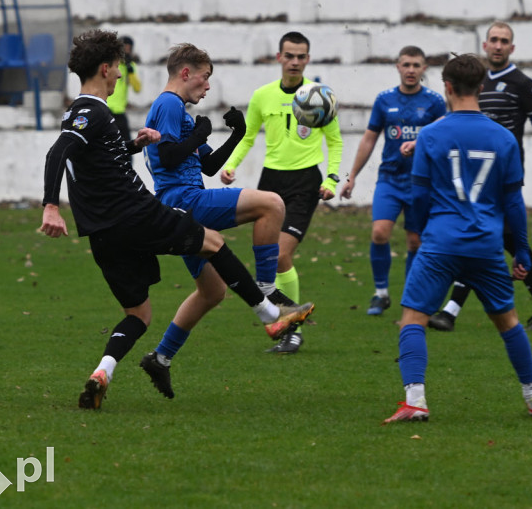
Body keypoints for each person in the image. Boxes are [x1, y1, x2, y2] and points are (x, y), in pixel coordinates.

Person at [39, 29, 313, 409]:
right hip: (155, 207)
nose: (121, 75)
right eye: (117, 67)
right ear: (104, 68)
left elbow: (194, 162)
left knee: (156, 309)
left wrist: (143, 144)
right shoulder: (106, 108)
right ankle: (270, 308)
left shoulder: (90, 113)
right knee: (262, 210)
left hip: (104, 231)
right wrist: (50, 205)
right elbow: (62, 151)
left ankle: (112, 369)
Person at [383, 54, 532, 423]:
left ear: (447, 88)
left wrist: (424, 232)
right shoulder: (503, 138)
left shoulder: (431, 135)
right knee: (508, 322)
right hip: (486, 244)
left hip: (441, 242)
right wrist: (521, 248)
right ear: (483, 88)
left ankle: (416, 401)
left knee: (413, 318)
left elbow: (420, 195)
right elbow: (514, 202)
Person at [138, 43, 302, 397]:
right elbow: (166, 156)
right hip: (185, 200)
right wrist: (198, 135)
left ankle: (161, 358)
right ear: (186, 73)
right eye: (205, 77)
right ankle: (266, 288)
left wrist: (237, 135)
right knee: (272, 204)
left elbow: (208, 165)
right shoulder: (168, 104)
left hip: (179, 207)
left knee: (212, 292)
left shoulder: (178, 112)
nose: (208, 86)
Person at [429, 21, 532, 332]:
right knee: (496, 237)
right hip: (471, 177)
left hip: (503, 178)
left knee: (487, 236)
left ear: (512, 47)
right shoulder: (473, 81)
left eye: (504, 41)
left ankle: (452, 310)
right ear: (484, 45)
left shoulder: (523, 84)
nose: (497, 45)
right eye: (493, 40)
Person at [220, 31, 344, 353]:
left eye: (301, 56)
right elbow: (247, 137)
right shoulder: (263, 96)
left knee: (281, 254)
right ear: (279, 57)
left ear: (308, 59)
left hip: (305, 183)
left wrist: (331, 180)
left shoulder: (319, 98)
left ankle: (294, 329)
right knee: (267, 260)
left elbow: (336, 141)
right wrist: (231, 165)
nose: (294, 62)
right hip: (271, 182)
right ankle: (288, 321)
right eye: (289, 55)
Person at [340, 46, 446, 315]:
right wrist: (352, 176)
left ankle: (410, 296)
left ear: (424, 69)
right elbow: (369, 138)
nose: (411, 70)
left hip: (421, 181)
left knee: (414, 242)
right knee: (379, 233)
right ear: (398, 67)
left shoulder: (434, 102)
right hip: (390, 179)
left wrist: (419, 142)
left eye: (416, 65)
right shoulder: (384, 100)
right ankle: (381, 293)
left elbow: (444, 137)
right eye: (406, 64)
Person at [107, 35, 142, 142]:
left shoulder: (130, 66)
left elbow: (137, 88)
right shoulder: (110, 65)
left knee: (126, 144)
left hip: (119, 111)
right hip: (106, 109)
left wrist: (130, 72)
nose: (126, 52)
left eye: (128, 49)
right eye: (124, 49)